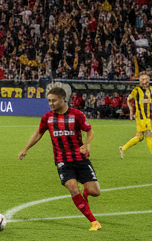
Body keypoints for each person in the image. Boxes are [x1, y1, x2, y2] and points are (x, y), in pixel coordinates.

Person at [17, 86, 102, 231]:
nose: (51, 103)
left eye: (54, 100)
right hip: (62, 160)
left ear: (63, 100)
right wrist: (25, 149)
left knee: (95, 192)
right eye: (49, 101)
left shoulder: (76, 115)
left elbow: (89, 131)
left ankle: (86, 192)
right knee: (73, 188)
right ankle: (94, 222)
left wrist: (87, 144)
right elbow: (39, 133)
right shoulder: (47, 118)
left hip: (80, 158)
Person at [121, 72, 152, 161]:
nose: (144, 81)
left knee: (140, 137)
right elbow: (128, 99)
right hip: (140, 116)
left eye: (146, 79)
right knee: (149, 133)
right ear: (139, 80)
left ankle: (123, 148)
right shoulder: (136, 90)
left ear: (149, 80)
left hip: (147, 116)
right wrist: (131, 111)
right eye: (142, 79)